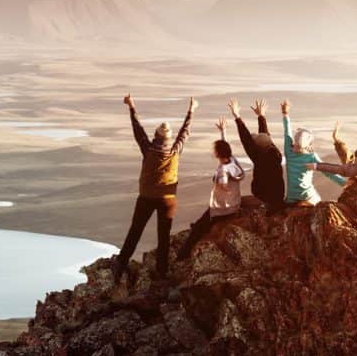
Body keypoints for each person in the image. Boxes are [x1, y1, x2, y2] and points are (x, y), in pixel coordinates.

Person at [112, 93, 195, 283]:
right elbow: (185, 132)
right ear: (169, 138)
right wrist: (191, 110)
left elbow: (138, 130)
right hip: (168, 200)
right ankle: (162, 272)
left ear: (156, 136)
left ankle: (120, 264)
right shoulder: (175, 152)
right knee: (163, 236)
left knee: (135, 231)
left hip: (147, 197)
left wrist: (131, 106)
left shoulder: (148, 150)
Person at [176, 117, 245, 260]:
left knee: (197, 229)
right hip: (234, 204)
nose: (212, 151)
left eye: (214, 150)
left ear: (218, 154)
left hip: (223, 209)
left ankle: (183, 255)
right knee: (203, 220)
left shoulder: (223, 170)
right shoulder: (233, 161)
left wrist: (223, 186)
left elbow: (223, 180)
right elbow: (227, 149)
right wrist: (223, 131)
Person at [281, 100, 346, 205]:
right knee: (321, 204)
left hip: (291, 198)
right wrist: (345, 183)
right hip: (307, 196)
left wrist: (285, 113)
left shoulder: (289, 151)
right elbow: (328, 172)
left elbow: (287, 132)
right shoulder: (311, 157)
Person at [229, 98, 285, 214]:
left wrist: (237, 116)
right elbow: (264, 136)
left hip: (263, 200)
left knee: (234, 204)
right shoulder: (274, 152)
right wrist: (261, 116)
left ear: (258, 148)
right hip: (277, 199)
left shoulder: (259, 158)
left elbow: (246, 139)